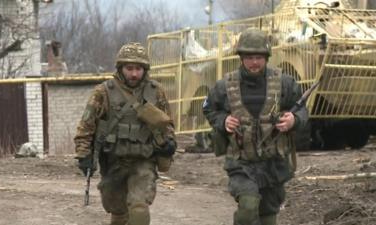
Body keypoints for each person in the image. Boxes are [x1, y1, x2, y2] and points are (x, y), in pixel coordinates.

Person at [203, 28, 308, 225]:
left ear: (267, 57)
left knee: (268, 215)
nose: (254, 62)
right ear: (241, 57)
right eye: (249, 57)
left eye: (259, 57)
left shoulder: (285, 83)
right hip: (241, 162)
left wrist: (294, 119)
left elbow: (302, 110)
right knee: (248, 208)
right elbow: (209, 109)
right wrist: (223, 121)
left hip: (273, 162)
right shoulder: (224, 86)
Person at [74, 42, 177, 225]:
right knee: (118, 210)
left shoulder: (155, 92)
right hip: (114, 161)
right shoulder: (104, 92)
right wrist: (84, 155)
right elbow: (86, 126)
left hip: (143, 161)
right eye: (129, 68)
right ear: (120, 68)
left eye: (138, 68)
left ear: (145, 69)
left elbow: (167, 124)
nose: (134, 74)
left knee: (139, 209)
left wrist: (169, 143)